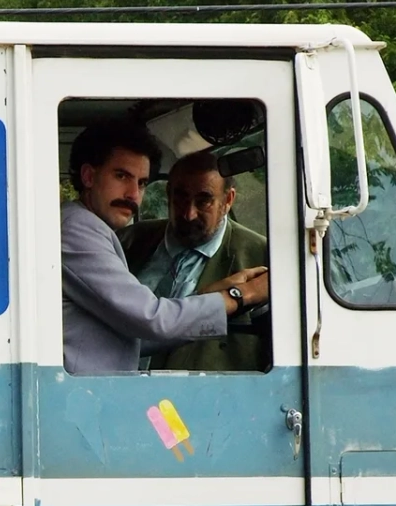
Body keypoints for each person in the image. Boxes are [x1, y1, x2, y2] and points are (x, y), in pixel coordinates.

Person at [60, 120, 268, 374]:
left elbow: (134, 338)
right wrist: (241, 296)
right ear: (89, 176)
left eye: (142, 183)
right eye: (122, 176)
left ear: (228, 200)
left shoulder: (259, 251)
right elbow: (151, 319)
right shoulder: (77, 228)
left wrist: (208, 297)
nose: (133, 195)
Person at [122, 150, 270, 372]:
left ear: (228, 200)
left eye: (204, 201)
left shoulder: (261, 257)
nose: (188, 214)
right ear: (168, 193)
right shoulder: (127, 242)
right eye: (180, 197)